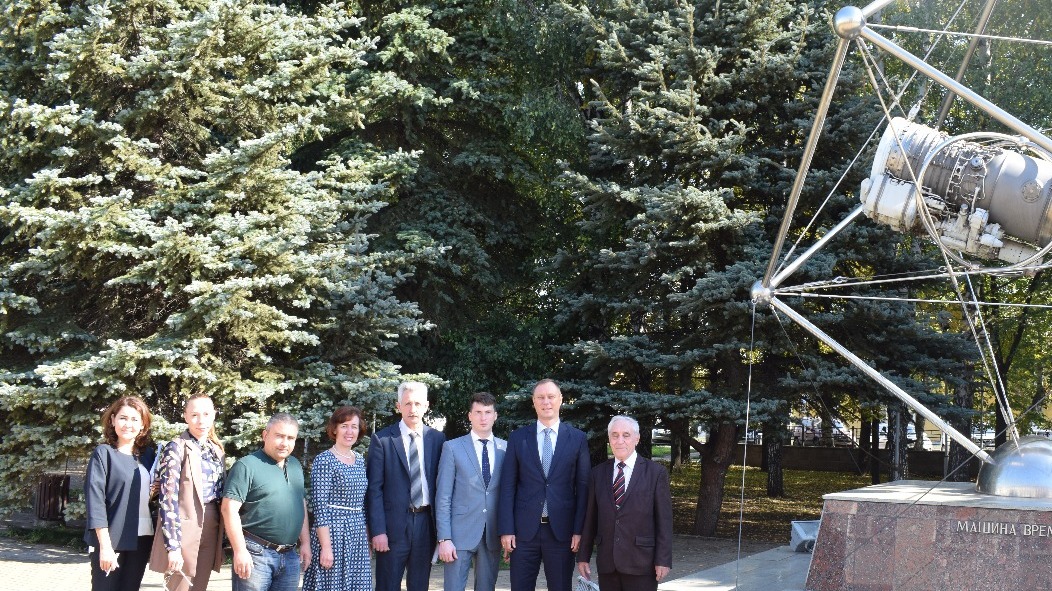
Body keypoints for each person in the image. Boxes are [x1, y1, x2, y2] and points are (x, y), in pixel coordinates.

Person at [498, 379, 590, 591]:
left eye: (551, 397)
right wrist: (506, 529)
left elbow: (583, 488)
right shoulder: (518, 438)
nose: (546, 402)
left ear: (561, 400)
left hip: (562, 533)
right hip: (523, 533)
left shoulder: (577, 438)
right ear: (533, 402)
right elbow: (508, 487)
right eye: (540, 397)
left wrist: (579, 530)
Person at [576, 416, 673, 591]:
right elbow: (590, 518)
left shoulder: (655, 473)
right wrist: (583, 556)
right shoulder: (597, 474)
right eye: (615, 435)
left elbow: (664, 521)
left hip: (642, 563)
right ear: (609, 439)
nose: (619, 440)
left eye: (626, 435)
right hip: (608, 564)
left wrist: (663, 559)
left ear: (637, 438)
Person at [367, 381, 446, 591]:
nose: (413, 409)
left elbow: (443, 487)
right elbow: (374, 490)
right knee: (387, 585)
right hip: (392, 528)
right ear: (398, 406)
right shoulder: (382, 439)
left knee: (419, 585)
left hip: (426, 524)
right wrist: (378, 531)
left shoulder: (437, 439)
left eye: (418, 404)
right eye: (408, 403)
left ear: (426, 406)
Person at [222, 413, 311, 591]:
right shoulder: (247, 466)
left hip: (290, 556)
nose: (284, 443)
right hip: (255, 555)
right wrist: (239, 550)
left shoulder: (295, 465)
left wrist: (306, 543)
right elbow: (228, 509)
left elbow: (300, 504)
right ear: (265, 435)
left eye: (290, 438)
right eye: (279, 436)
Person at [148, 393, 226, 591]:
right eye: (195, 415)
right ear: (185, 416)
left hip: (211, 525)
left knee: (199, 587)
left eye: (206, 414)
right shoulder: (175, 447)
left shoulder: (216, 450)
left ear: (214, 415)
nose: (201, 421)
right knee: (180, 587)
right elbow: (167, 499)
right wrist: (173, 547)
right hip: (182, 528)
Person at [84, 395, 157, 591]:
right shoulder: (103, 453)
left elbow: (148, 496)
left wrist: (155, 490)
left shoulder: (148, 455)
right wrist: (105, 546)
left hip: (142, 536)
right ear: (113, 420)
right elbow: (95, 502)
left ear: (143, 425)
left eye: (134, 419)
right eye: (123, 418)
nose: (128, 424)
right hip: (111, 538)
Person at [435, 392, 507, 591]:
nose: (483, 417)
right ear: (469, 416)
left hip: (492, 534)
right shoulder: (452, 448)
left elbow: (509, 495)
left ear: (495, 415)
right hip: (458, 535)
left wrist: (508, 533)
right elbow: (443, 497)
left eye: (488, 412)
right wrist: (444, 538)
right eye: (478, 412)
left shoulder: (506, 449)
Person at [303, 406, 370, 591]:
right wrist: (326, 547)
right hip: (333, 534)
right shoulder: (324, 460)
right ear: (334, 429)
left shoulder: (359, 460)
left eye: (354, 426)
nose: (349, 431)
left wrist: (365, 538)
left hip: (356, 534)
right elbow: (320, 508)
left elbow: (361, 504)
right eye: (344, 426)